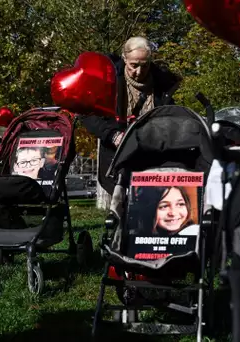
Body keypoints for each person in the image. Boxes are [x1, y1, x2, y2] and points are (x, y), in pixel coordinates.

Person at [79, 37, 182, 195]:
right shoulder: (108, 80)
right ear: (124, 58)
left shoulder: (163, 85)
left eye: (145, 66)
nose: (139, 72)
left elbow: (172, 119)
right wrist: (112, 135)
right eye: (134, 65)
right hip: (117, 159)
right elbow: (87, 114)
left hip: (153, 158)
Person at [132, 186, 199, 236]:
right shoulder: (136, 238)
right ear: (148, 210)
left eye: (180, 204)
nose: (173, 213)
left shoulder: (194, 233)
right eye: (164, 206)